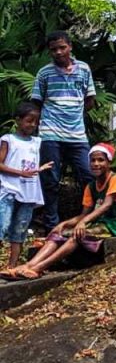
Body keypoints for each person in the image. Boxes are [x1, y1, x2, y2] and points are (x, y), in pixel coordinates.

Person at [3, 143, 116, 280]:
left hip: (113, 225)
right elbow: (84, 214)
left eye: (101, 160)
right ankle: (28, 265)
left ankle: (38, 268)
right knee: (59, 233)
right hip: (96, 223)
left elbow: (106, 205)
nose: (96, 164)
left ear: (109, 162)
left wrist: (83, 223)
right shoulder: (91, 186)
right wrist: (64, 224)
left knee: (77, 235)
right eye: (93, 160)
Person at [30, 30, 96, 231]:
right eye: (54, 49)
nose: (58, 52)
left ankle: (89, 219)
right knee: (50, 180)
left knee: (89, 175)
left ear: (70, 47)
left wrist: (73, 113)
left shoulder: (83, 69)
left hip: (77, 134)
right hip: (50, 133)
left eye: (62, 47)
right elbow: (36, 103)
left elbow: (90, 100)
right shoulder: (44, 73)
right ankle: (51, 225)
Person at [0, 103, 50, 268]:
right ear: (18, 120)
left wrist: (40, 169)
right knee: (2, 225)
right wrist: (20, 173)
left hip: (29, 192)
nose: (33, 125)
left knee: (20, 230)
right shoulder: (8, 139)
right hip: (9, 189)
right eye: (29, 121)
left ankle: (12, 267)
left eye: (36, 121)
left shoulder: (36, 142)